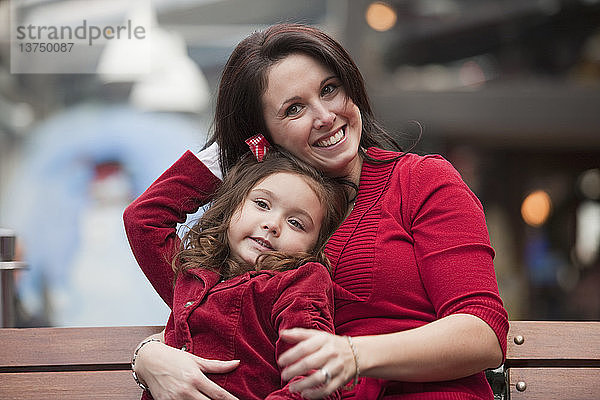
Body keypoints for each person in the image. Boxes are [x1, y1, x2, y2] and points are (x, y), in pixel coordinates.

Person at [124, 23, 509, 400]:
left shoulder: (420, 180)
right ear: (264, 133)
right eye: (294, 109)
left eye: (330, 89)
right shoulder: (259, 236)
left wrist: (355, 354)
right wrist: (149, 357)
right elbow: (152, 229)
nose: (325, 116)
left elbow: (483, 334)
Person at [126, 145, 349, 400]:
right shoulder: (191, 273)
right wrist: (229, 148)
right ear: (232, 207)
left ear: (315, 245)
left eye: (296, 223)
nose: (273, 224)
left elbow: (316, 381)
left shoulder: (298, 283)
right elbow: (143, 219)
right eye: (262, 204)